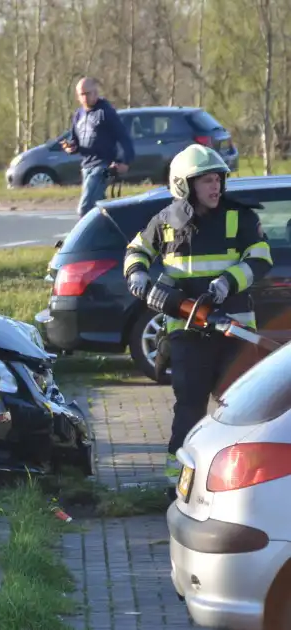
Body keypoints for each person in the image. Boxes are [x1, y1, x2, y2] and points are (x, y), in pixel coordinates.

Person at [122, 144, 273, 484]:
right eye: (205, 180)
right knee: (188, 409)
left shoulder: (240, 217)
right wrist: (137, 274)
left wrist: (225, 284)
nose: (215, 186)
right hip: (187, 332)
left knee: (239, 410)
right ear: (184, 185)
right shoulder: (164, 221)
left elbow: (261, 257)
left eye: (218, 178)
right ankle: (179, 482)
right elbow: (136, 251)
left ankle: (241, 481)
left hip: (234, 330)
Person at [61, 77, 135, 217]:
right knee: (99, 208)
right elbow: (76, 141)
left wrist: (125, 161)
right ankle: (111, 235)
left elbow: (124, 137)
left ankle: (83, 238)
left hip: (104, 166)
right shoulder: (78, 115)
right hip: (86, 167)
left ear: (95, 92)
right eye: (81, 94)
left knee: (85, 208)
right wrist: (71, 147)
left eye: (88, 93)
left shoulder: (105, 112)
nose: (85, 97)